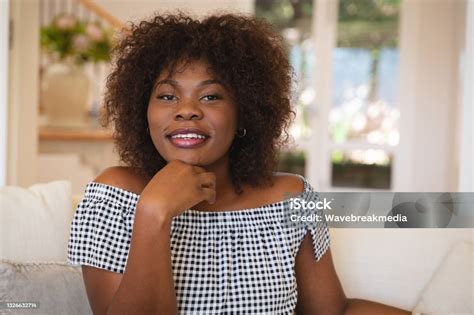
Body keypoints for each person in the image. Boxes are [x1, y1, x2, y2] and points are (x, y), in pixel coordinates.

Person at [67, 12, 411, 315]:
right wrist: (154, 213)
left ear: (244, 111)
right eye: (168, 96)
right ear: (144, 113)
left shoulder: (292, 198)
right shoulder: (113, 196)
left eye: (211, 96)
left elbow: (332, 312)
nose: (187, 109)